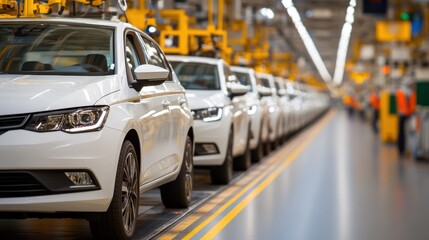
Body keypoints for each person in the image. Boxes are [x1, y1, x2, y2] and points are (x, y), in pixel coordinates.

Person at [396, 75, 416, 156]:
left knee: (407, 133)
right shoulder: (401, 92)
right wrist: (408, 113)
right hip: (403, 115)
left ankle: (406, 149)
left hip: (408, 115)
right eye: (410, 85)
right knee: (402, 133)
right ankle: (402, 149)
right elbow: (403, 105)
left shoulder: (410, 93)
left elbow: (412, 104)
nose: (411, 86)